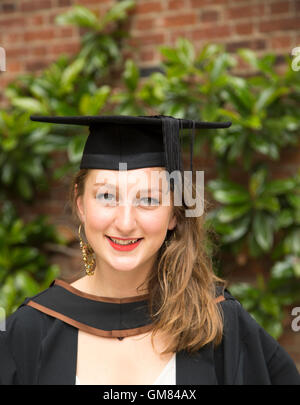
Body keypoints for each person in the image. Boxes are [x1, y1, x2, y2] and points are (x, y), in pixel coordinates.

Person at [0, 114, 299, 385]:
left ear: (174, 213)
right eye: (107, 196)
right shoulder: (29, 332)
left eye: (148, 200)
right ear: (81, 204)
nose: (126, 222)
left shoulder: (218, 324)